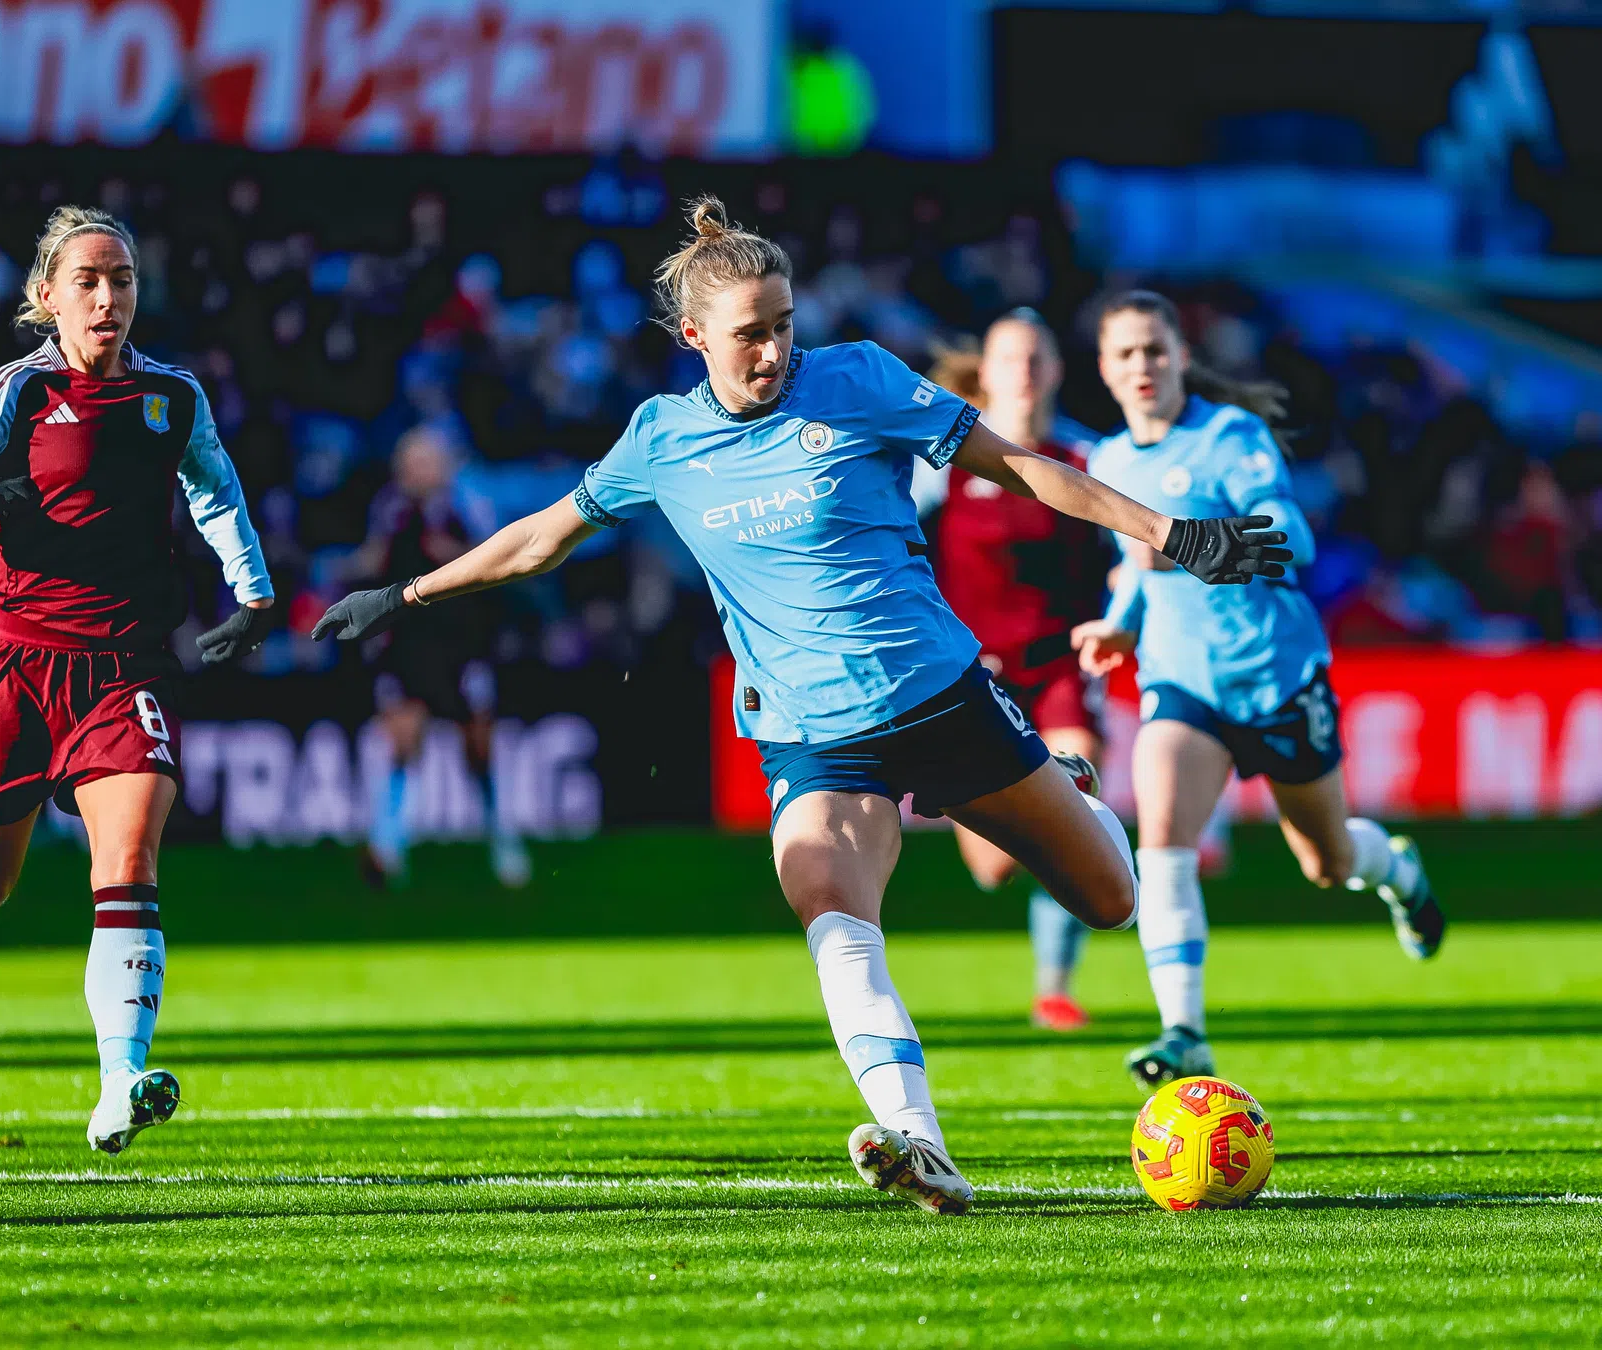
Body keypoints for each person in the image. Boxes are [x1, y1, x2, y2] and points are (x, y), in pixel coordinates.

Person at [313, 200, 1287, 1215]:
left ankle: (1065, 787)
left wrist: (1170, 534)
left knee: (1111, 900)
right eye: (750, 334)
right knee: (827, 899)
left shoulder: (859, 378)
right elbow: (539, 538)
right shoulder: (660, 439)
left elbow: (1020, 466)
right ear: (694, 337)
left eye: (783, 325)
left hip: (940, 699)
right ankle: (920, 1142)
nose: (774, 351)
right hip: (811, 737)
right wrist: (406, 595)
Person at [0, 206, 275, 1154]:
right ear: (48, 297)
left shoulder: (172, 396)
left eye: (123, 280)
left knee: (130, 860)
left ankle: (119, 1080)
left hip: (126, 665)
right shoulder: (16, 391)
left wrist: (254, 594)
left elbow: (215, 490)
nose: (109, 299)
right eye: (89, 281)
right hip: (20, 663)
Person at [1072, 289, 1446, 1094]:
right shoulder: (1107, 461)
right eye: (1125, 353)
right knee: (1162, 839)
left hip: (1275, 672)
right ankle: (1185, 1034)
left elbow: (1293, 537)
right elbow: (1138, 572)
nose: (1142, 365)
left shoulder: (1229, 437)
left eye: (1155, 349)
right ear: (1104, 368)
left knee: (1327, 861)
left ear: (1181, 356)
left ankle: (1398, 870)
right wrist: (1119, 624)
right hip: (1182, 680)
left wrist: (1189, 545)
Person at [924, 311, 1113, 1032]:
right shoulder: (941, 465)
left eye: (1037, 358)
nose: (1025, 371)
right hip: (975, 679)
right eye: (1011, 358)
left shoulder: (1086, 459)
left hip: (1060, 667)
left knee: (1077, 808)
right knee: (995, 867)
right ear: (987, 372)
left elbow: (1129, 553)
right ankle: (1034, 803)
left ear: (1056, 370)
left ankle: (1054, 988)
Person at [341, 426, 529, 889]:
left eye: (423, 463)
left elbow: (498, 556)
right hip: (409, 641)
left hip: (461, 640)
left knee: (477, 748)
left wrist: (453, 556)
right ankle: (387, 846)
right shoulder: (390, 508)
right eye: (409, 464)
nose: (414, 472)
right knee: (404, 740)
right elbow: (376, 560)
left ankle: (502, 840)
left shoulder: (467, 504)